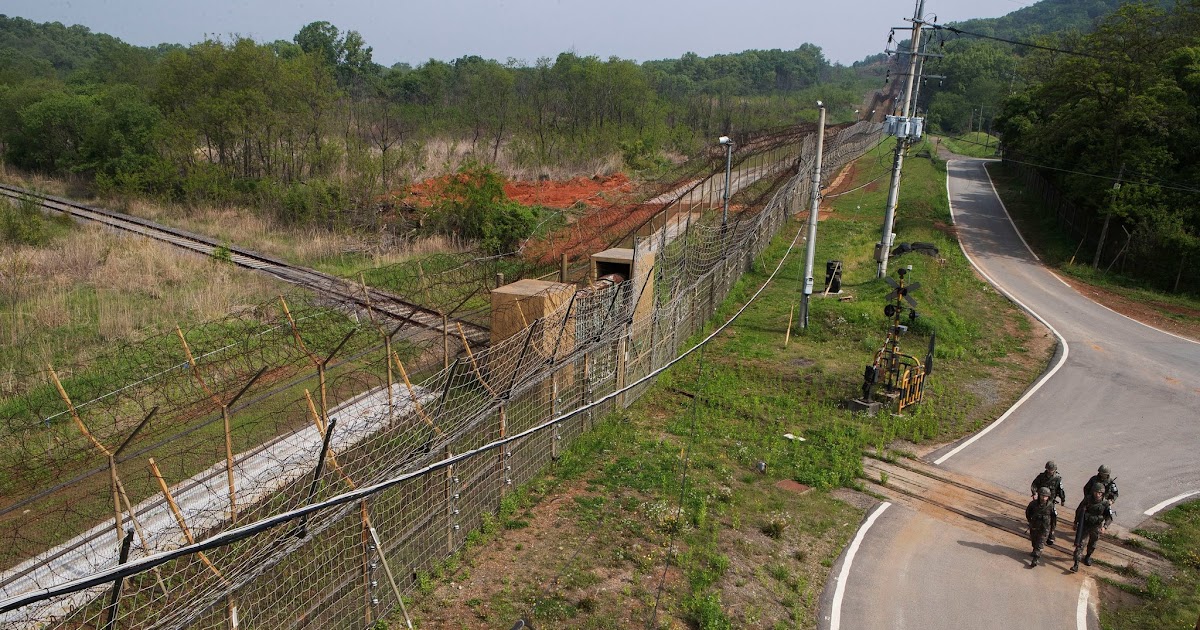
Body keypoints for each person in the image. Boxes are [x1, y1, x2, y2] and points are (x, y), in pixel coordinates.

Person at [1072, 482, 1115, 572]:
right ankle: (1076, 564)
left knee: (1092, 544)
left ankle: (1088, 556)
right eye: (1095, 492)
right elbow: (1079, 510)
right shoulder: (1087, 500)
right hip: (1085, 525)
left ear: (1102, 493)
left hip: (1096, 527)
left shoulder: (1105, 503)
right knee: (1080, 544)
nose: (1097, 494)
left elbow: (1109, 517)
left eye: (1099, 493)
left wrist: (1105, 527)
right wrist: (1075, 522)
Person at [1030, 461, 1066, 544]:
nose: (1050, 471)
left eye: (1052, 470)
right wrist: (1034, 493)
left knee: (1053, 515)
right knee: (1035, 512)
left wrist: (1063, 499)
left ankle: (1051, 532)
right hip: (1040, 500)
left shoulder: (1057, 479)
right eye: (1049, 469)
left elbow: (1060, 490)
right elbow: (1034, 485)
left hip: (1050, 501)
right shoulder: (1041, 477)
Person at [1025, 487, 1056, 567]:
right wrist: (1030, 521)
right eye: (1042, 495)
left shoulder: (1051, 506)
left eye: (1046, 496)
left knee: (1040, 543)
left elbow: (1054, 518)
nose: (1044, 498)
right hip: (1034, 526)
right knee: (1034, 540)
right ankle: (1034, 550)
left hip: (1045, 528)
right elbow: (1028, 512)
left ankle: (1035, 559)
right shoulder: (1033, 504)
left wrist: (1052, 530)